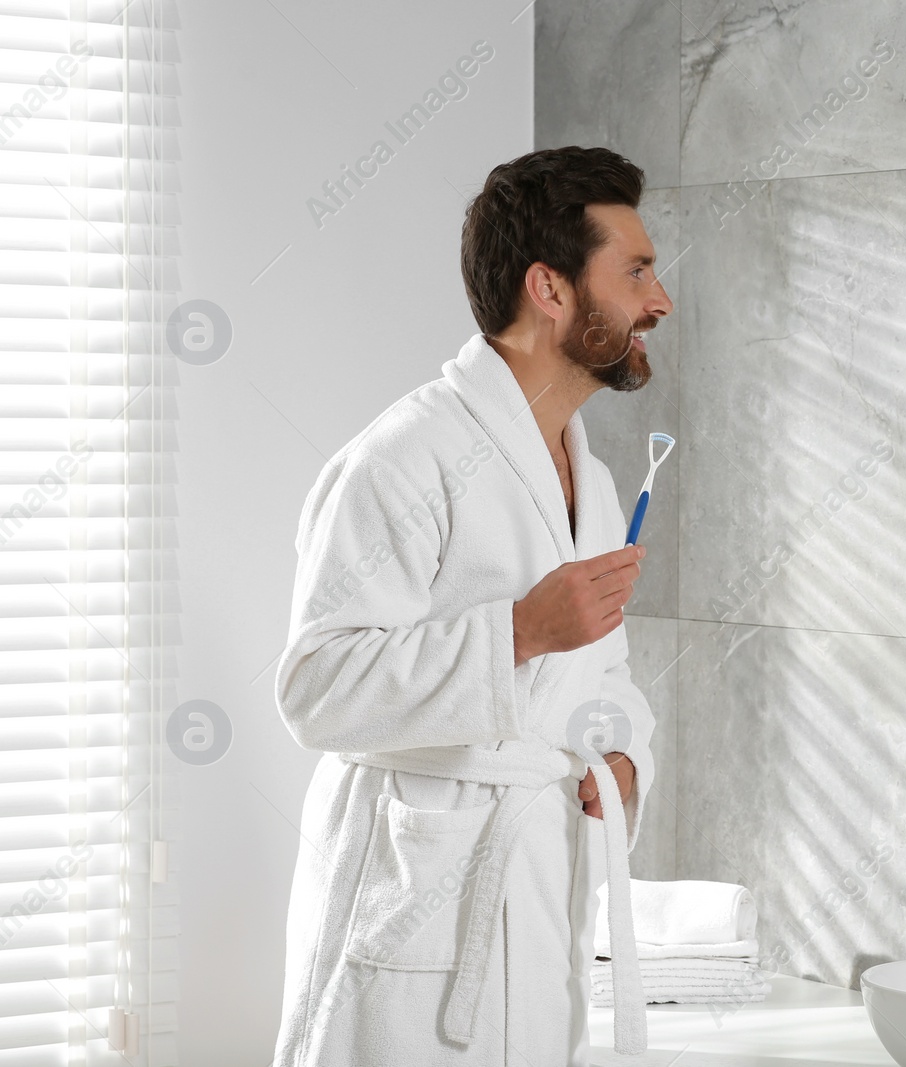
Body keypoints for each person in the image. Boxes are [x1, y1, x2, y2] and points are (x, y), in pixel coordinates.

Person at [270, 145, 671, 1066]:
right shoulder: (402, 459)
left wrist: (625, 759)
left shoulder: (594, 479)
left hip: (536, 891)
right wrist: (521, 629)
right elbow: (314, 688)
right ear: (552, 288)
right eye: (637, 270)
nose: (660, 300)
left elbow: (603, 673)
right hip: (417, 910)